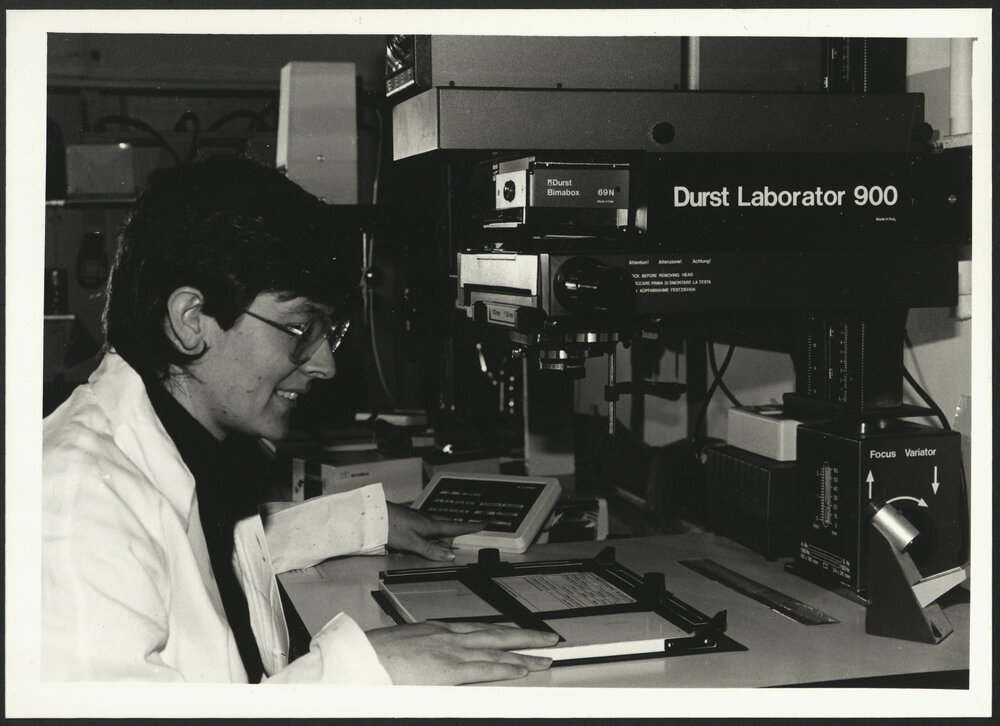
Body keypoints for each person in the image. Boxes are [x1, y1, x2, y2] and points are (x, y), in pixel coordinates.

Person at [41, 155, 558, 684]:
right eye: (298, 329)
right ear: (191, 320)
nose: (325, 364)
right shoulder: (79, 505)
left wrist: (360, 523)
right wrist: (366, 671)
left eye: (327, 331)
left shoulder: (185, 446)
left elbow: (189, 553)